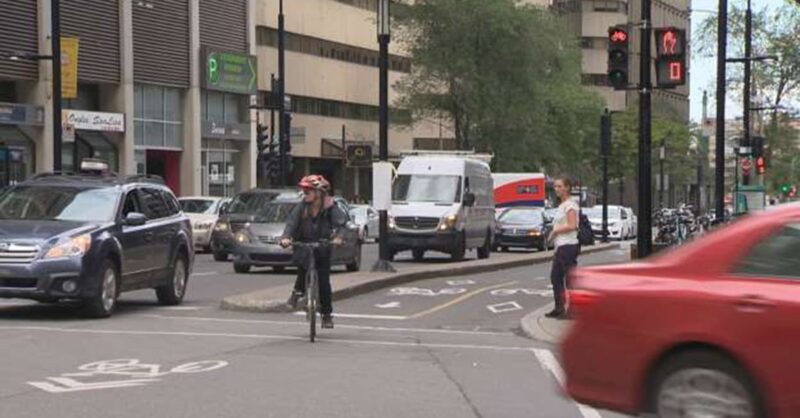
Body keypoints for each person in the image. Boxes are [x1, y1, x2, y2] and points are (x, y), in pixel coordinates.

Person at [280, 174, 346, 329]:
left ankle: (327, 315)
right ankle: (297, 292)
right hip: (303, 243)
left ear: (319, 193)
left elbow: (341, 224)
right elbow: (291, 223)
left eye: (308, 190)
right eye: (304, 190)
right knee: (303, 266)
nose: (305, 193)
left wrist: (338, 237)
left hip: (322, 245)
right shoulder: (301, 207)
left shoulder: (330, 207)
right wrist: (286, 237)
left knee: (324, 282)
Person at [546, 177, 580, 319]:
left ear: (567, 187)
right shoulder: (562, 205)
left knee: (569, 279)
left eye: (560, 186)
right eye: (555, 187)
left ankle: (572, 309)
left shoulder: (570, 205)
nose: (557, 189)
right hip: (561, 246)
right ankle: (559, 307)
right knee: (556, 277)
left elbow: (572, 225)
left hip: (568, 245)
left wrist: (555, 231)